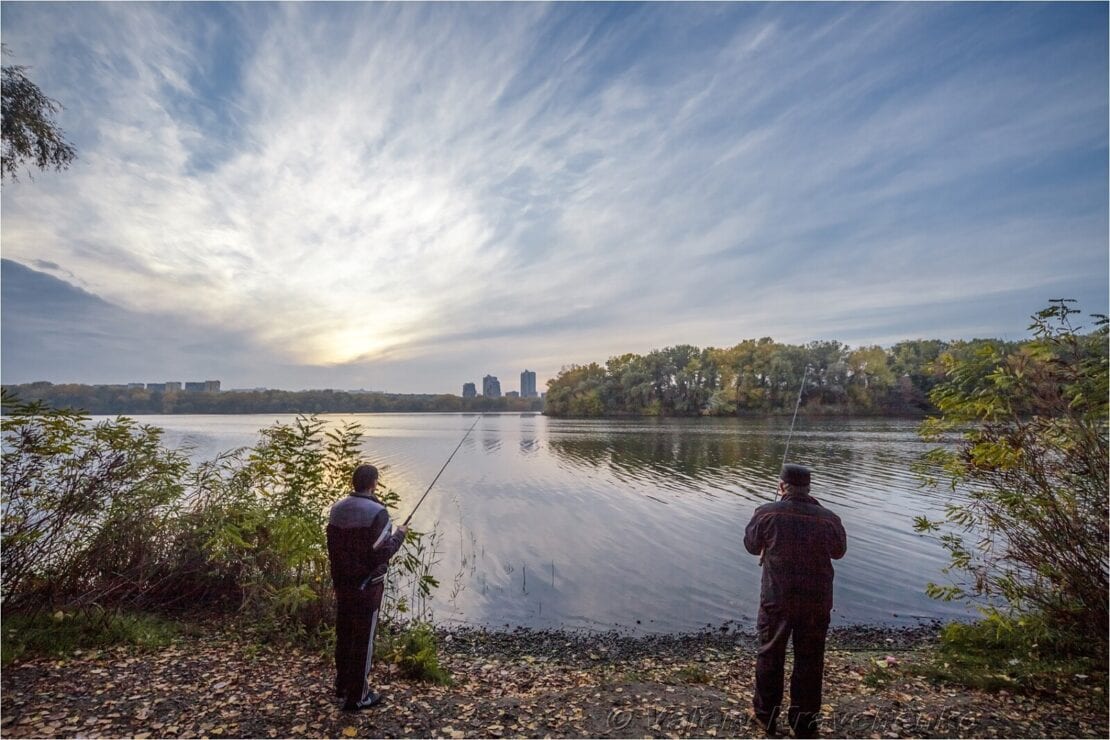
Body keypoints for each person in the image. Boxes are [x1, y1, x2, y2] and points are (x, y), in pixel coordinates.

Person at [744, 464, 847, 738]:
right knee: (810, 661)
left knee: (770, 655)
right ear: (809, 488)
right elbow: (839, 552)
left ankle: (766, 718)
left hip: (777, 598)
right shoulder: (828, 518)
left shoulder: (765, 513)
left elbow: (751, 545)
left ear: (782, 487)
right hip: (816, 601)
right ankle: (804, 724)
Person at [326, 463, 407, 711]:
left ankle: (342, 685)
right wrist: (400, 535)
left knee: (344, 634)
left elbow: (334, 548)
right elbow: (381, 554)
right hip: (368, 587)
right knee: (363, 640)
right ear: (374, 483)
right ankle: (358, 696)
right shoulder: (378, 513)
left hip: (342, 584)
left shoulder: (337, 510)